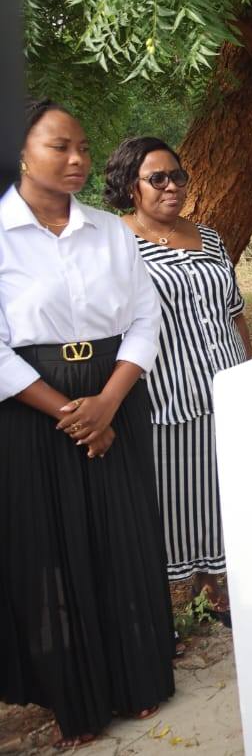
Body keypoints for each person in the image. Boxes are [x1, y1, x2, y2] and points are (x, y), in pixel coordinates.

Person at [0, 101, 174, 748]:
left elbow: (145, 319)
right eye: (59, 146)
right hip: (31, 408)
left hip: (116, 395)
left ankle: (138, 677)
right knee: (52, 551)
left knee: (123, 539)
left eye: (82, 147)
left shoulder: (110, 232)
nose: (76, 159)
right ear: (20, 153)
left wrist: (106, 403)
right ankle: (77, 697)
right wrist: (70, 412)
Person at [105, 136, 252, 622]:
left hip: (228, 389)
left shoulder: (209, 237)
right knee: (177, 499)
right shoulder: (116, 244)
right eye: (158, 179)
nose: (172, 186)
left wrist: (251, 374)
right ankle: (171, 601)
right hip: (167, 395)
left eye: (178, 176)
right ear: (130, 186)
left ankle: (217, 585)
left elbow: (233, 310)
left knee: (224, 489)